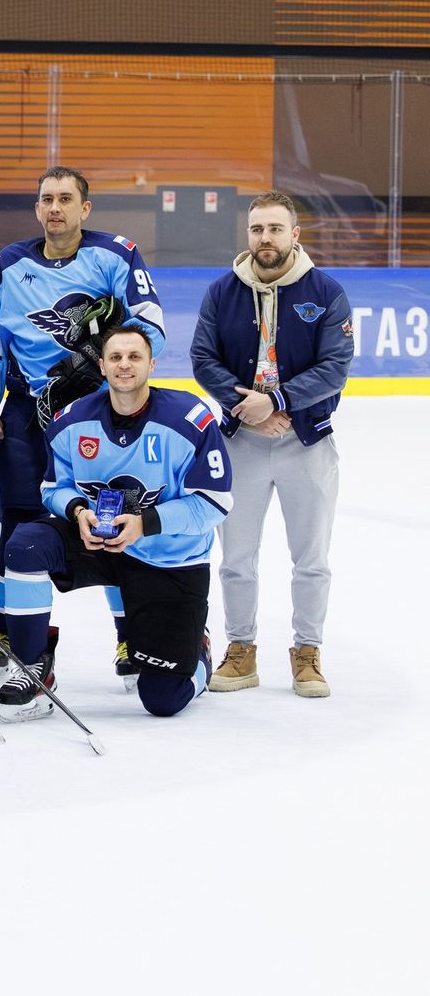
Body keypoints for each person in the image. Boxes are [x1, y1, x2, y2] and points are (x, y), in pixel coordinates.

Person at [0, 165, 165, 677]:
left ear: (85, 207)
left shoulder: (116, 254)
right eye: (46, 199)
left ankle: (129, 635)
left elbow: (150, 327)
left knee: (113, 515)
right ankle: (11, 629)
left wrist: (97, 364)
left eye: (65, 199)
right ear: (37, 208)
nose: (55, 208)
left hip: (100, 413)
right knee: (15, 522)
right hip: (26, 412)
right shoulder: (8, 263)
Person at [0, 326, 229, 720]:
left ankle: (198, 652)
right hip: (100, 545)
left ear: (152, 365)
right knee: (25, 544)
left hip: (168, 558)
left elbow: (214, 503)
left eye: (135, 357)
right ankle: (33, 666)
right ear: (102, 366)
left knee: (163, 699)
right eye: (116, 357)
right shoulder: (71, 421)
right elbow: (52, 488)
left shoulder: (190, 419)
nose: (125, 365)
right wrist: (77, 512)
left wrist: (145, 524)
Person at [190, 191, 350, 698]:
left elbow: (335, 367)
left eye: (276, 229)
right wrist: (249, 409)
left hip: (307, 442)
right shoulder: (222, 292)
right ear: (248, 234)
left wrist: (277, 401)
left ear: (294, 235)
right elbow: (202, 359)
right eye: (257, 229)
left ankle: (308, 652)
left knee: (312, 558)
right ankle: (241, 649)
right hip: (241, 442)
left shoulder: (326, 292)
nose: (266, 238)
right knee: (236, 558)